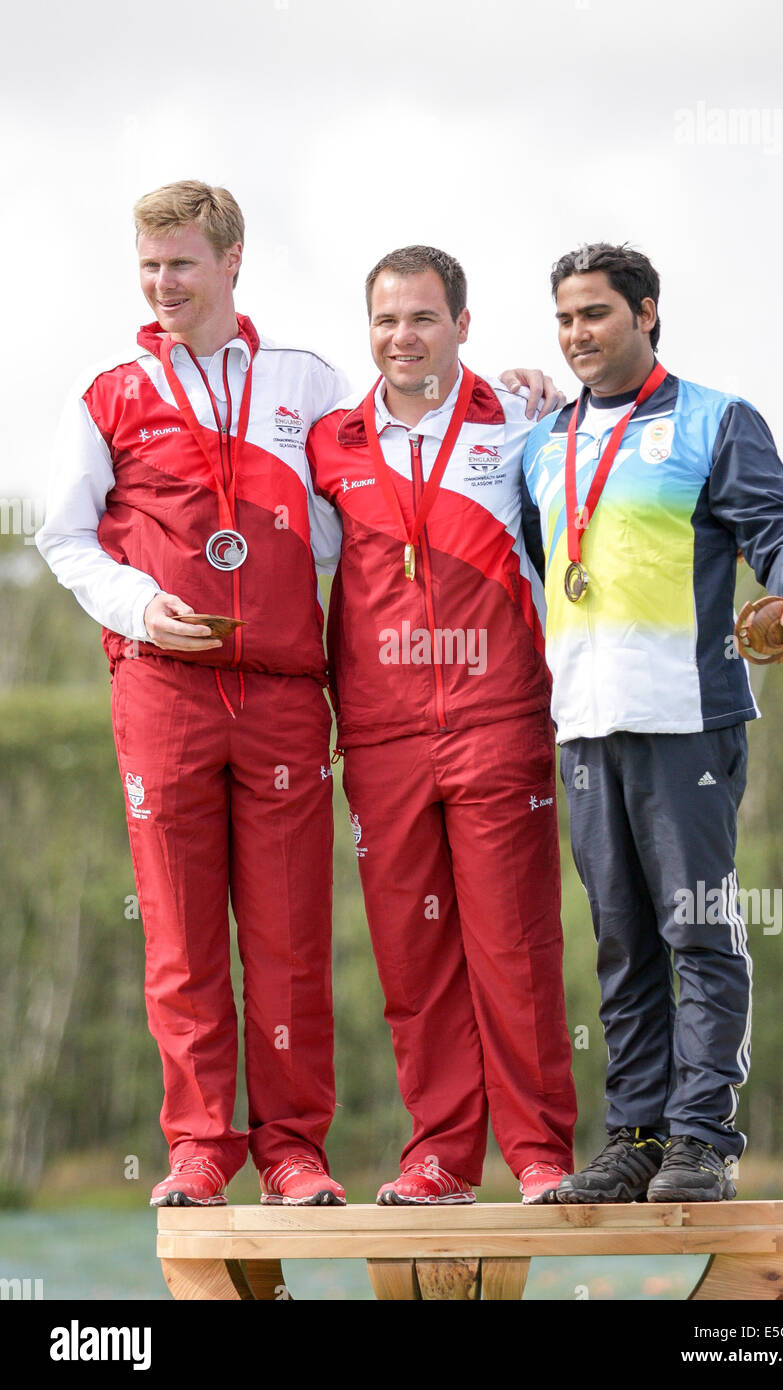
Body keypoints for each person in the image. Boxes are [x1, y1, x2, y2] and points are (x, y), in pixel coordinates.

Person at [36, 180, 352, 1207]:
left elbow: (373, 487)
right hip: (163, 687)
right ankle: (200, 1146)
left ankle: (294, 1150)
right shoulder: (112, 390)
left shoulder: (304, 381)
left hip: (283, 691)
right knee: (178, 932)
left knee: (290, 936)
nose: (162, 283)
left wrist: (509, 398)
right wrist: (134, 604)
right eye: (147, 266)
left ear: (230, 261)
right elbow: (62, 535)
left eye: (179, 263)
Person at [522, 242, 783, 1203]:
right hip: (584, 724)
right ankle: (640, 1137)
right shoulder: (543, 441)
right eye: (567, 318)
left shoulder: (715, 420)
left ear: (647, 313)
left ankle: (705, 1139)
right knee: (622, 940)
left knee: (697, 929)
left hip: (688, 719)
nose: (579, 334)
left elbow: (775, 529)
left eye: (598, 315)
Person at [306, 245, 577, 1206]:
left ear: (463, 325)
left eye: (422, 318)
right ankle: (440, 1157)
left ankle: (541, 1154)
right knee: (413, 956)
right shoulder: (330, 441)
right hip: (381, 732)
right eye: (385, 320)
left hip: (498, 716)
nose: (401, 337)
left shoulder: (523, 418)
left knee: (515, 945)